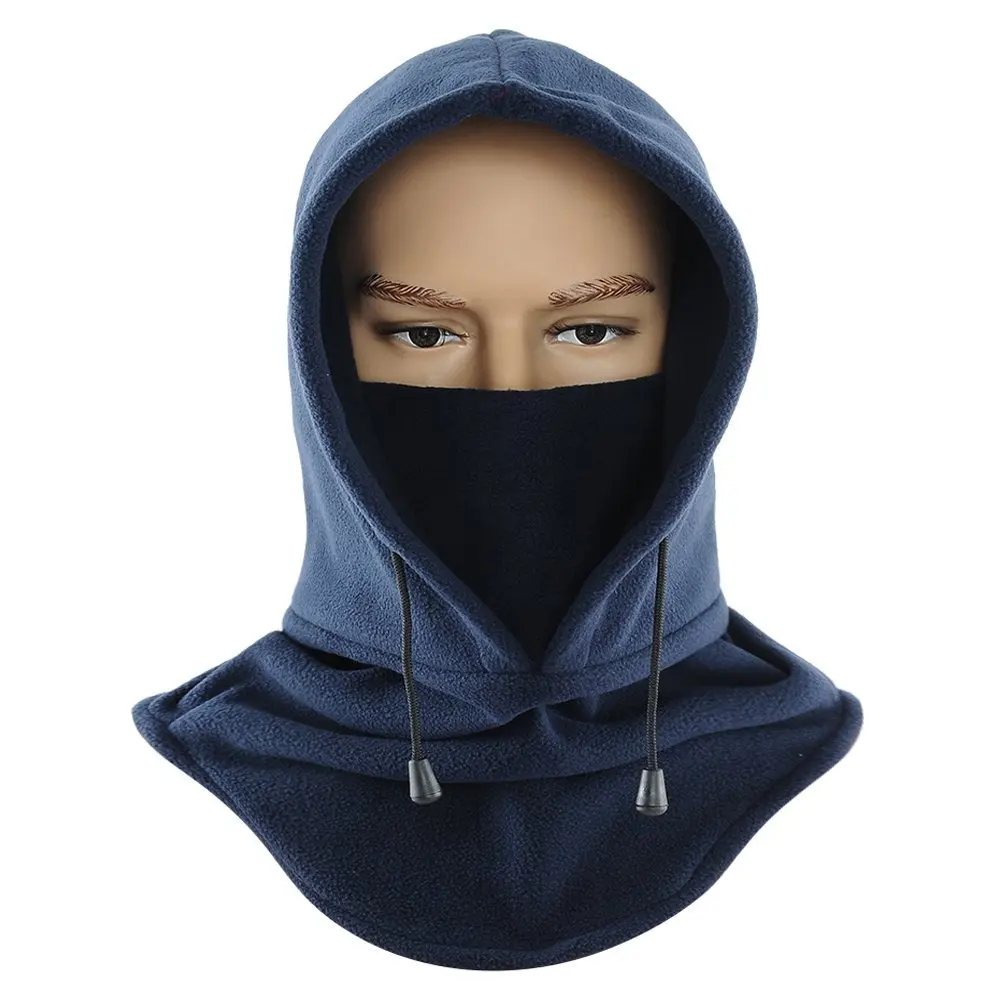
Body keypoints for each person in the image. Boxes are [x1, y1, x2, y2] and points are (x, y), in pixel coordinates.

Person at [132, 28, 863, 971]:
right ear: (322, 354)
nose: (509, 390)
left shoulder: (841, 800)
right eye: (425, 334)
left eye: (590, 331)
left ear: (694, 346)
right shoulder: (165, 817)